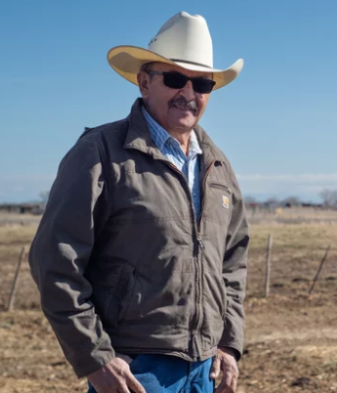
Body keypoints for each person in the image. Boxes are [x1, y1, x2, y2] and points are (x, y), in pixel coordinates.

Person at [28, 11, 249, 393]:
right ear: (144, 82)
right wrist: (94, 357)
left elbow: (232, 262)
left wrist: (229, 343)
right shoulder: (99, 153)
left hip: (204, 370)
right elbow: (56, 263)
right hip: (135, 370)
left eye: (202, 83)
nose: (189, 93)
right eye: (176, 79)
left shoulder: (218, 165)